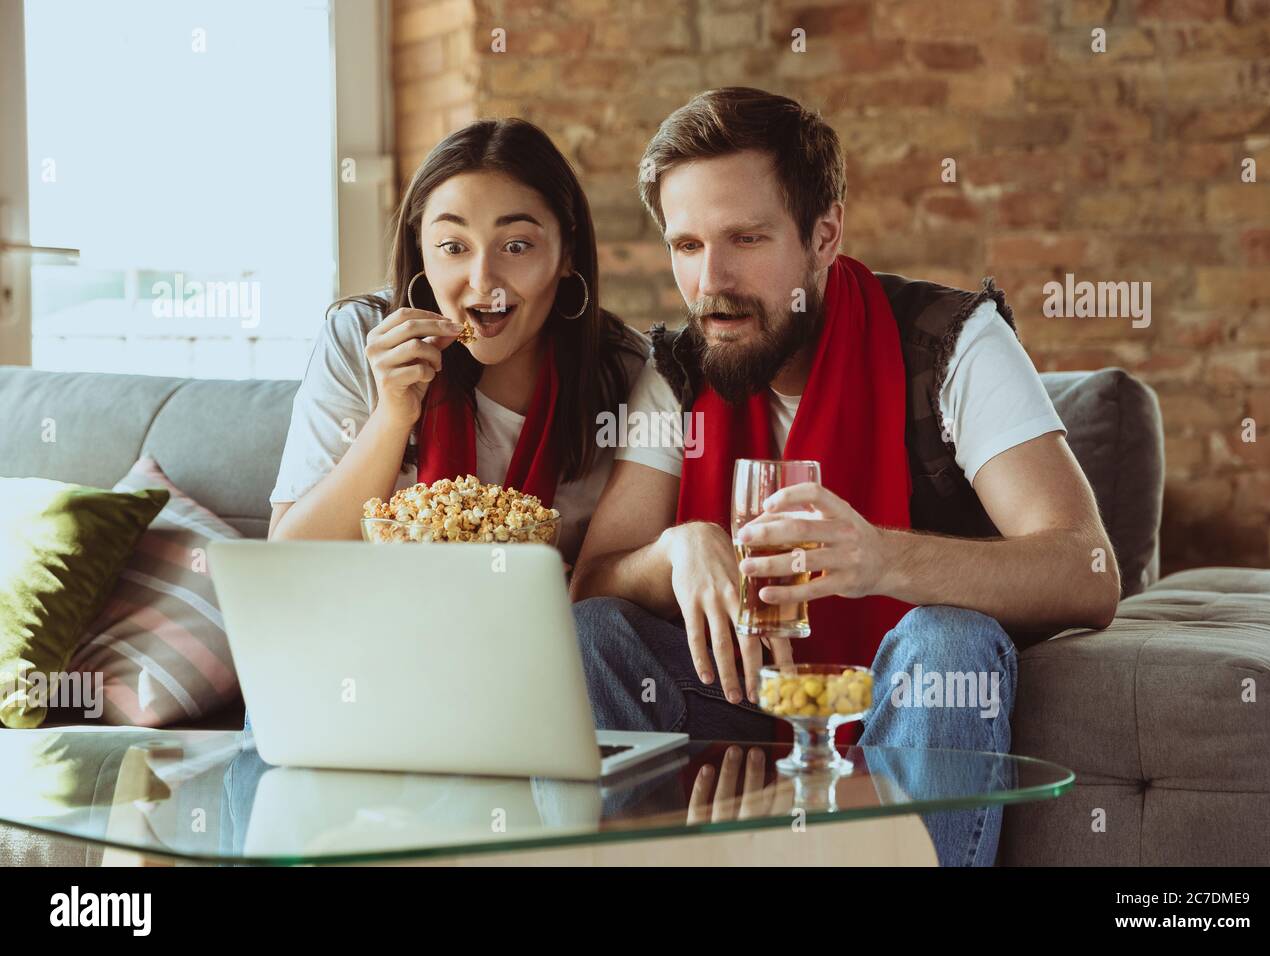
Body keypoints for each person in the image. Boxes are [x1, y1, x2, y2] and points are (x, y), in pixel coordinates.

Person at [569, 87, 1121, 867]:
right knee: (597, 634)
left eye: (746, 239)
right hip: (739, 699)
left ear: (824, 235)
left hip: (903, 708)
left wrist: (882, 559)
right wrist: (677, 550)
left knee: (947, 640)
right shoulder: (678, 374)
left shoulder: (953, 344)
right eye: (686, 246)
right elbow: (592, 584)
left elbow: (1088, 570)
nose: (711, 282)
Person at [266, 118, 646, 567]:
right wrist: (392, 416)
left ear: (567, 253)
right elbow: (288, 564)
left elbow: (620, 586)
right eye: (452, 246)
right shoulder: (359, 338)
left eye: (517, 246)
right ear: (421, 251)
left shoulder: (629, 371)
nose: (484, 281)